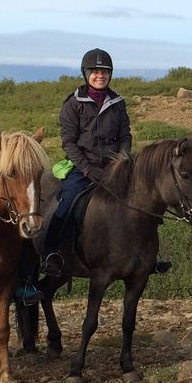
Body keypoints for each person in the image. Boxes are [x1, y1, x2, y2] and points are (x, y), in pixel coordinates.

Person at [42, 48, 133, 275]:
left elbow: (125, 136)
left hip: (114, 167)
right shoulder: (73, 104)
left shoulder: (118, 103)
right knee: (66, 202)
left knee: (143, 197)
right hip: (83, 167)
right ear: (86, 73)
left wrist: (121, 163)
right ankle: (51, 252)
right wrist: (86, 168)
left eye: (104, 71)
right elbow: (69, 143)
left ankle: (146, 254)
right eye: (95, 71)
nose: (99, 75)